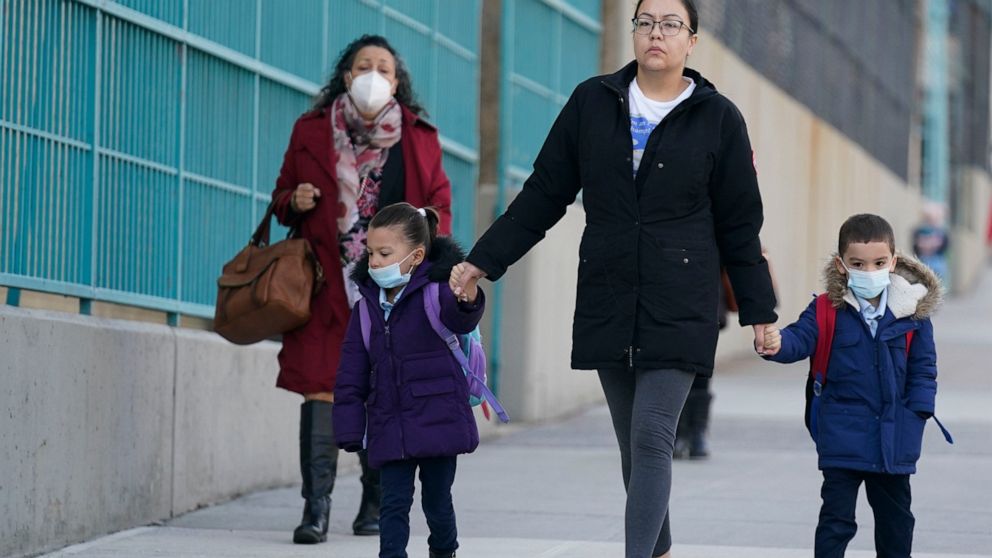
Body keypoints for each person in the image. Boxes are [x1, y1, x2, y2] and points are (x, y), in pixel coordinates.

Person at [450, 1, 777, 556]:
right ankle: (658, 547)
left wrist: (760, 311)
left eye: (671, 25)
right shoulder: (592, 102)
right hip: (609, 291)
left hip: (681, 299)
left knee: (652, 435)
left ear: (691, 41)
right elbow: (544, 193)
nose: (656, 34)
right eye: (645, 22)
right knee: (633, 444)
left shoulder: (718, 117)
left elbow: (739, 223)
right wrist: (483, 261)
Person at [271, 35, 452, 544]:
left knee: (385, 388)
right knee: (320, 386)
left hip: (389, 288)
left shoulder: (418, 136)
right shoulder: (311, 129)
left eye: (384, 68)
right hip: (324, 283)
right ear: (346, 76)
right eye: (363, 66)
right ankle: (315, 509)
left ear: (397, 81)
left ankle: (375, 502)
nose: (373, 74)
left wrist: (425, 225)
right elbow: (280, 197)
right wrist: (294, 199)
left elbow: (440, 202)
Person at [761, 214, 945, 558]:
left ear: (893, 261)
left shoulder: (913, 312)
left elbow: (924, 368)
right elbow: (799, 339)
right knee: (836, 520)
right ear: (841, 264)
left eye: (878, 263)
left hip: (894, 435)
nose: (869, 271)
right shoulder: (825, 309)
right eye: (858, 264)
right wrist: (776, 343)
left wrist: (919, 411)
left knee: (896, 521)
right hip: (841, 432)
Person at [334, 203, 483, 558]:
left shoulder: (438, 292)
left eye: (385, 254)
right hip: (390, 422)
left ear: (416, 256)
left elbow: (462, 318)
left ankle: (443, 552)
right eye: (370, 253)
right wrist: (350, 427)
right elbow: (351, 372)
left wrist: (469, 297)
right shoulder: (366, 307)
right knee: (392, 504)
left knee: (437, 501)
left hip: (438, 418)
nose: (374, 262)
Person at [911, 201, 950, 282]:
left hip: (937, 263)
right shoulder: (920, 230)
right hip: (923, 260)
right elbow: (916, 245)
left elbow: (944, 245)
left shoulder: (941, 231)